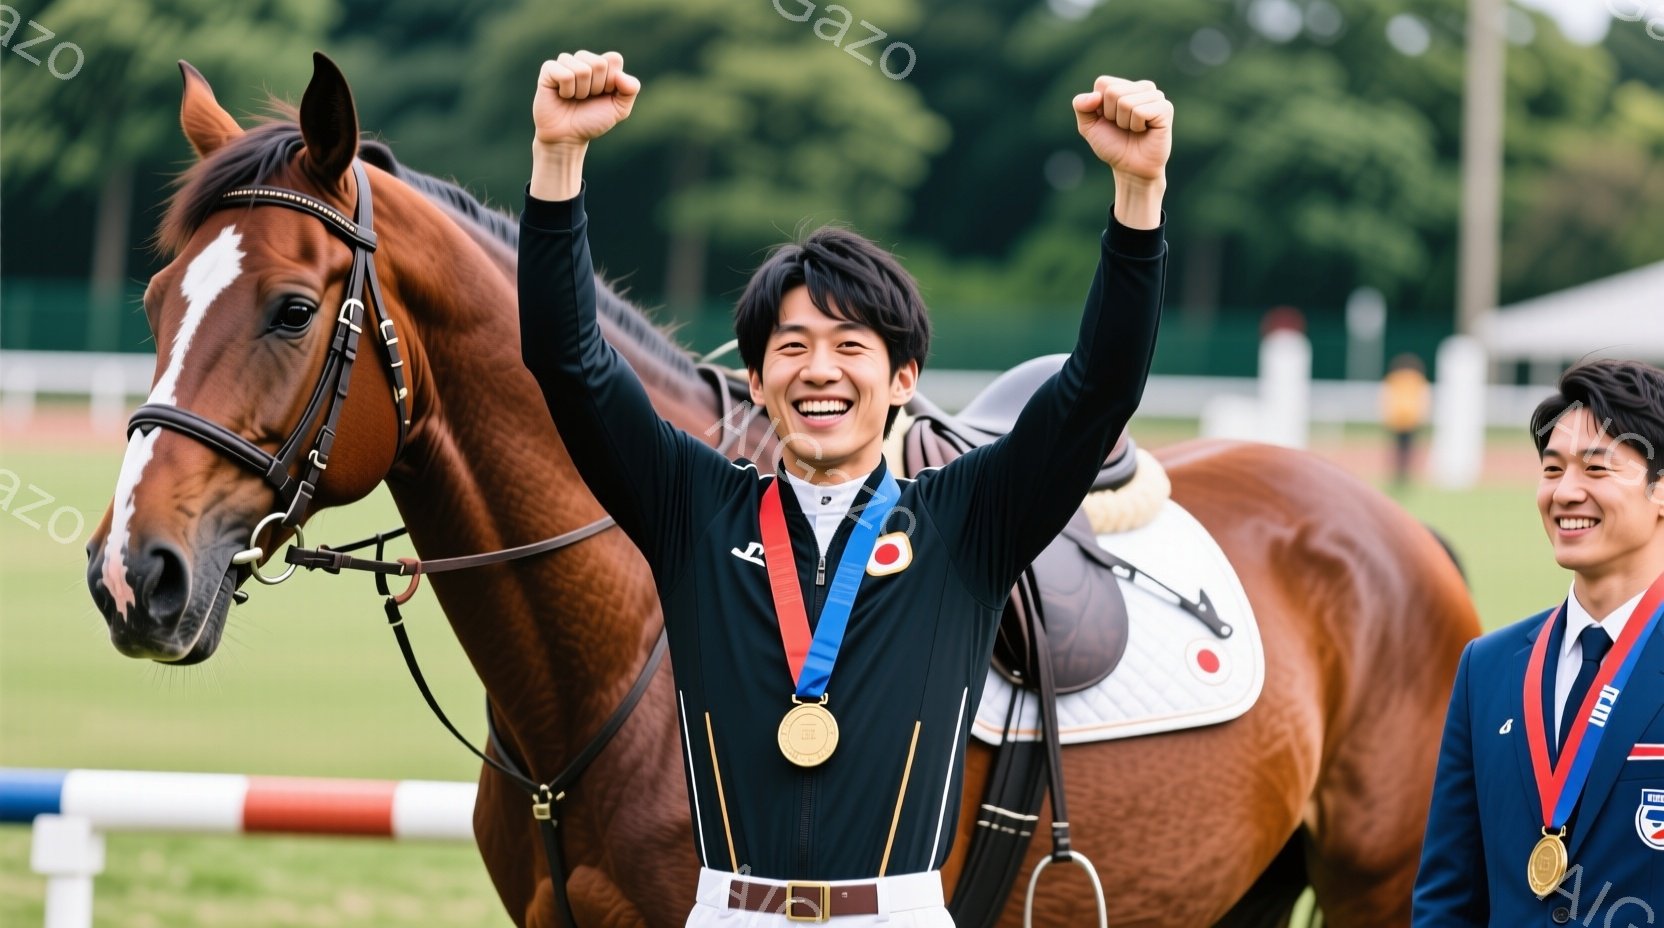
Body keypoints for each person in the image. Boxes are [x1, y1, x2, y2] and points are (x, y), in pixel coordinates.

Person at [517, 49, 1170, 925]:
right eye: (790, 346)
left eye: (850, 345)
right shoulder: (693, 510)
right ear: (756, 381)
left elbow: (1097, 391)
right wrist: (557, 162)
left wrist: (1137, 198)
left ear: (903, 377)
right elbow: (571, 364)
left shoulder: (970, 522)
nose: (818, 369)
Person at [1414, 359, 1664, 925]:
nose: (1566, 492)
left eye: (1596, 470)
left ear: (1660, 490)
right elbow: (1449, 894)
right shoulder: (1487, 665)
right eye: (1552, 470)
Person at [1381, 353, 1431, 486]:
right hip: (1410, 419)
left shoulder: (1394, 378)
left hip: (1398, 419)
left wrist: (1386, 415)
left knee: (1398, 449)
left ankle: (1399, 474)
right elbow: (1423, 399)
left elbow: (1387, 398)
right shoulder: (1417, 379)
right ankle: (1404, 475)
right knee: (1408, 450)